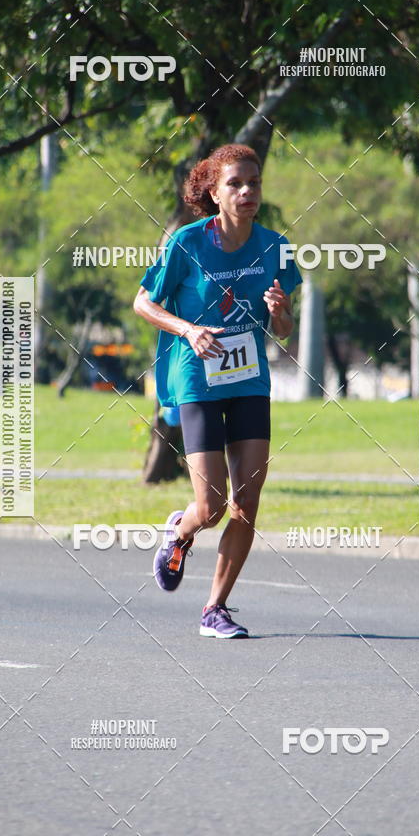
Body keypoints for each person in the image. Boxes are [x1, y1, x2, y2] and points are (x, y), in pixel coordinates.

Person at [133, 143, 302, 638]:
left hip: (249, 380)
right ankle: (180, 533)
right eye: (236, 184)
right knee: (209, 507)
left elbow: (287, 329)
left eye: (255, 183)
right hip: (196, 378)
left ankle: (215, 609)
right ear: (214, 191)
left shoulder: (275, 246)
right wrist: (187, 329)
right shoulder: (185, 243)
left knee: (246, 503)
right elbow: (143, 303)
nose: (248, 191)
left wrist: (279, 313)